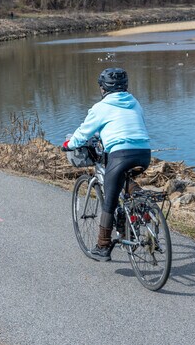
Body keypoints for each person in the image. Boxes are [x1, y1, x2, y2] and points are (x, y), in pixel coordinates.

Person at [63, 68, 151, 261]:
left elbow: (83, 133)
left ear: (102, 88)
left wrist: (69, 145)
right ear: (125, 86)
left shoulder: (101, 107)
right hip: (144, 153)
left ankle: (102, 247)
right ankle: (139, 202)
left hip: (120, 155)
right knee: (123, 179)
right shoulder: (134, 102)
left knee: (109, 201)